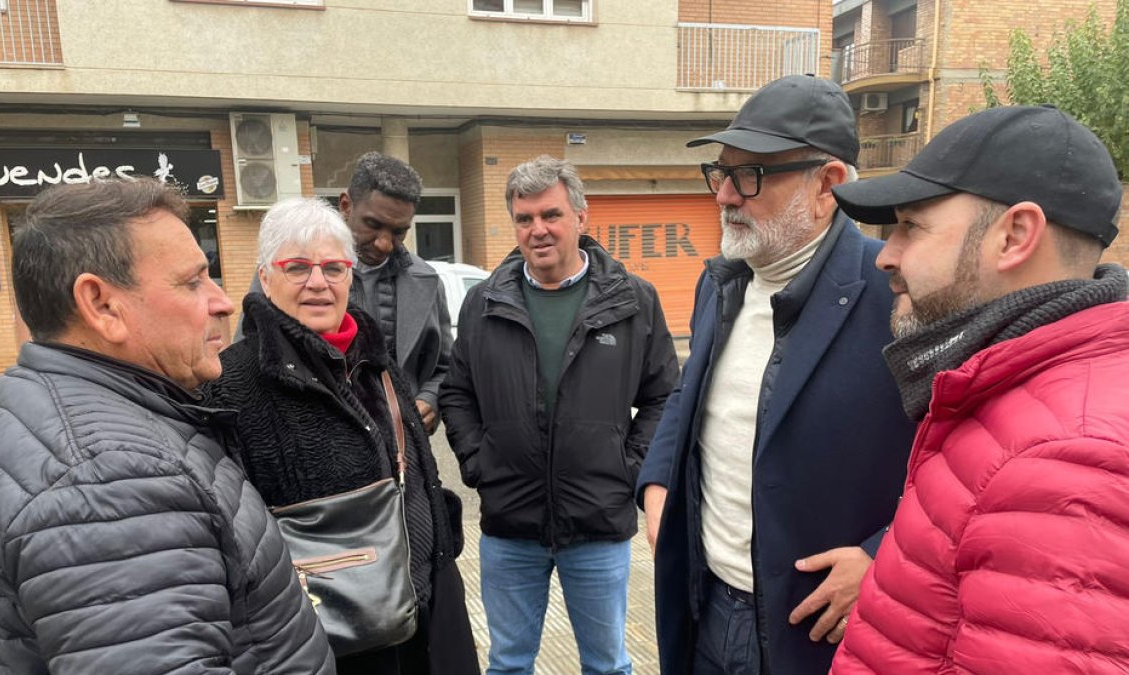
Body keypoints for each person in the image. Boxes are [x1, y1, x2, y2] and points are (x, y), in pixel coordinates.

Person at [0, 179, 334, 674]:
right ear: (102, 305)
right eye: (192, 282)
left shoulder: (45, 403)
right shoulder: (108, 479)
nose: (223, 302)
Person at [828, 106, 1129, 673]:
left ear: (1014, 236)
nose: (886, 255)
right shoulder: (1008, 389)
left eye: (911, 226)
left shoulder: (1069, 461)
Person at [636, 74, 917, 675]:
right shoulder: (722, 282)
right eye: (721, 172)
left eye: (751, 176)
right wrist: (657, 483)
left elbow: (960, 463)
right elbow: (689, 396)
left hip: (815, 632)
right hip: (704, 602)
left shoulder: (896, 290)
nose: (725, 196)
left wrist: (884, 557)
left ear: (828, 185)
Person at [202, 197, 478, 675]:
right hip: (328, 636)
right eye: (297, 267)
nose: (318, 282)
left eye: (333, 267)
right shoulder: (231, 384)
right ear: (265, 278)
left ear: (350, 275)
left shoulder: (376, 360)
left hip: (425, 603)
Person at [440, 156, 679, 675]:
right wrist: (479, 462)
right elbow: (457, 393)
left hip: (597, 523)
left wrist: (629, 467)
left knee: (607, 665)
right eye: (524, 219)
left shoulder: (634, 300)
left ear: (581, 218)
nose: (537, 230)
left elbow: (665, 397)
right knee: (507, 664)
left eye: (550, 215)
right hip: (509, 527)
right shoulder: (483, 303)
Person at [236, 152, 452, 434]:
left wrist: (431, 399)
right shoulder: (289, 273)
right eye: (373, 225)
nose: (385, 243)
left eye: (399, 232)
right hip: (311, 443)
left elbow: (446, 367)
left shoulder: (426, 281)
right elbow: (247, 357)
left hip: (402, 450)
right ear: (346, 205)